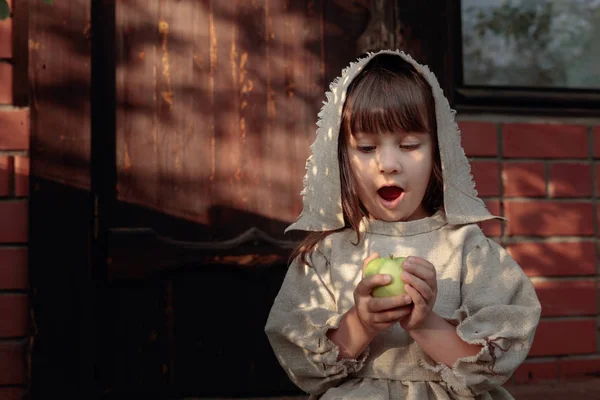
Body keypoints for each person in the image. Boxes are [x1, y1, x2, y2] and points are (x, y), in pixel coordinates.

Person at [264, 50, 541, 399]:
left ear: (438, 153)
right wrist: (361, 322)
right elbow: (306, 370)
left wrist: (425, 323)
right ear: (342, 160)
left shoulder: (467, 249)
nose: (388, 164)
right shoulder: (329, 255)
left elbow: (488, 370)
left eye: (409, 144)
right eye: (366, 147)